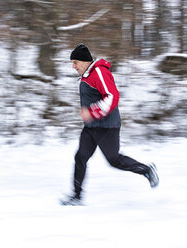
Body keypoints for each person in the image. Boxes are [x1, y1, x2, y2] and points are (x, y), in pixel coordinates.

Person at [60, 43, 159, 206]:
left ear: (84, 61)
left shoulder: (99, 72)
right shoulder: (87, 75)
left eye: (75, 62)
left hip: (107, 127)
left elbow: (112, 96)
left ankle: (146, 170)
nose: (73, 66)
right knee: (80, 157)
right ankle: (76, 197)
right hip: (91, 127)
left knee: (114, 160)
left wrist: (91, 113)